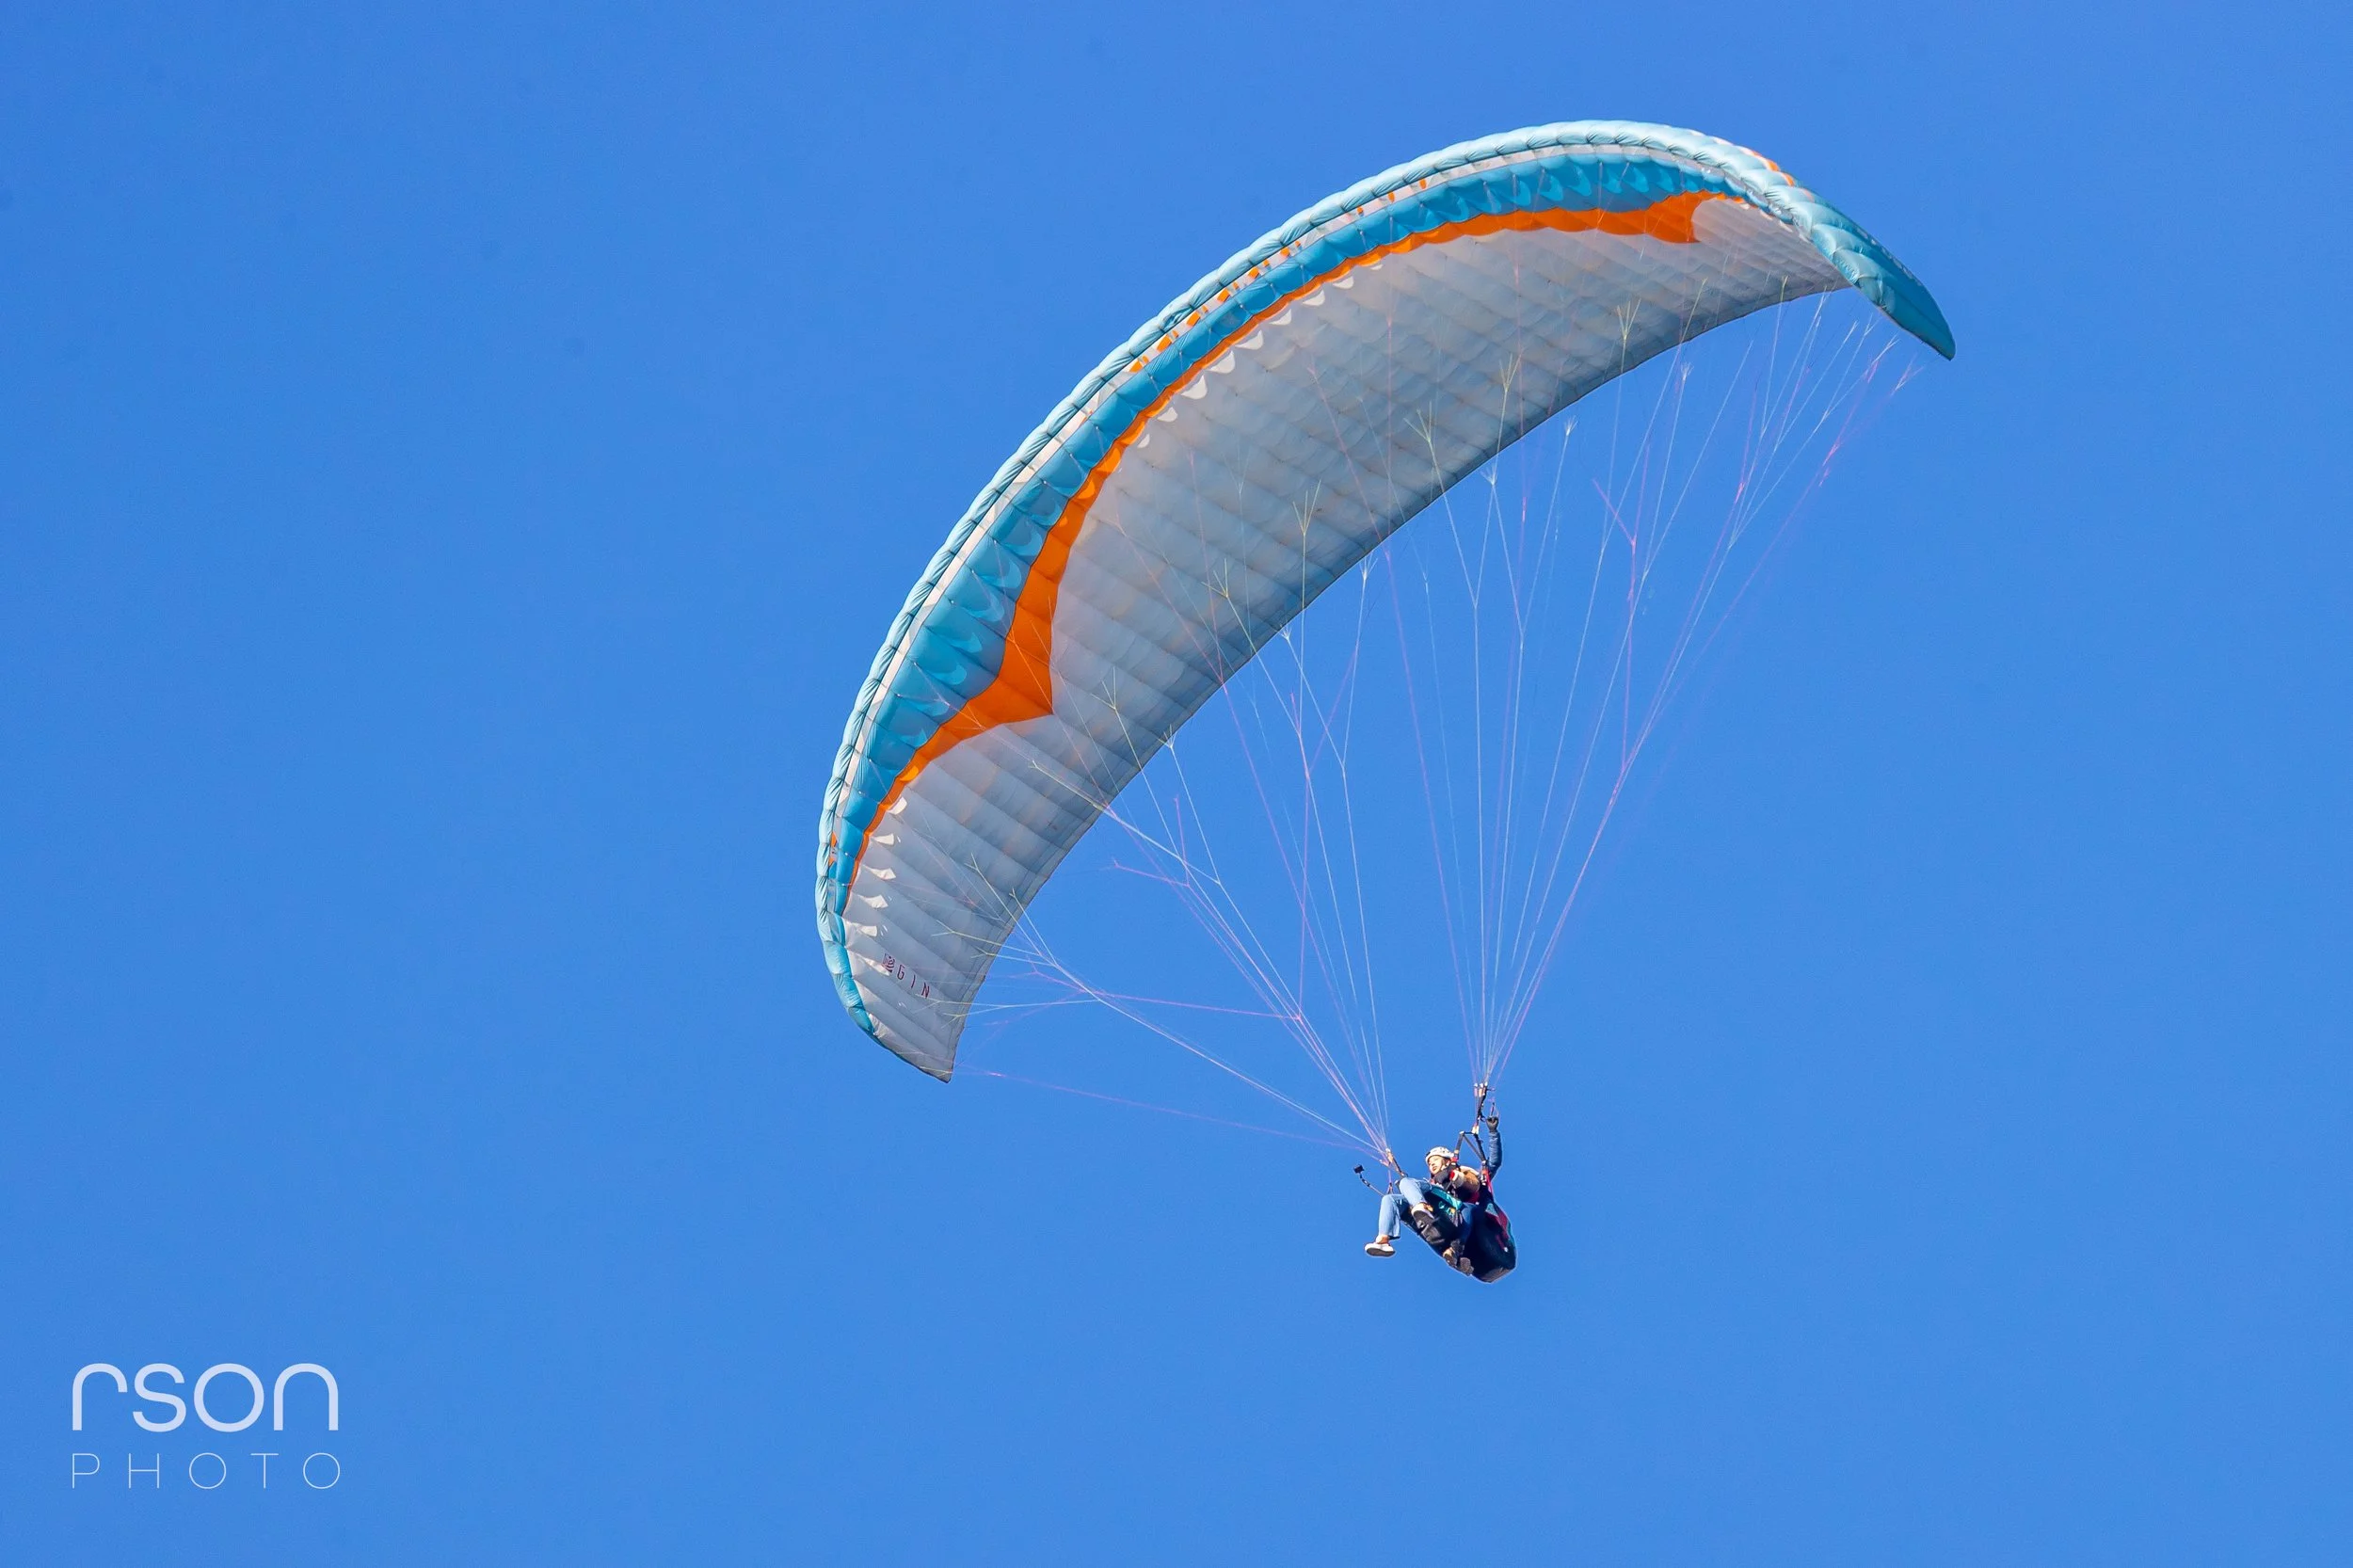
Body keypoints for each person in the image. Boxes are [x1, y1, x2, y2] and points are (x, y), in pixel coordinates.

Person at [1365, 1084, 1503, 1274]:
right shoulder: (1435, 1185)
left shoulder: (1464, 1175)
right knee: (1390, 1198)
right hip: (1445, 1213)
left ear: (1447, 1161)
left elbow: (1492, 1164)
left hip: (1471, 1215)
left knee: (1465, 1207)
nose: (1432, 1166)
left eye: (1435, 1161)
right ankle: (1383, 1240)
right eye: (1429, 1164)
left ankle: (1453, 1245)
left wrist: (1493, 1133)